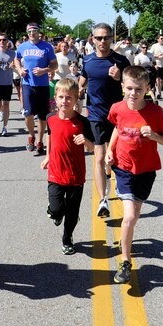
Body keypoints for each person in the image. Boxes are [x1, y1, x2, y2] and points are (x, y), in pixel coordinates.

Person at [105, 66, 163, 283]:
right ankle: (125, 261)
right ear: (122, 87)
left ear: (147, 89)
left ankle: (126, 246)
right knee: (130, 217)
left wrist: (153, 135)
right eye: (129, 88)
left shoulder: (155, 112)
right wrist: (109, 150)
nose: (133, 93)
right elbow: (117, 126)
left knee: (134, 217)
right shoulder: (117, 107)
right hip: (123, 168)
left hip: (146, 170)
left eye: (138, 89)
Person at [79, 22, 130, 218]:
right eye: (98, 38)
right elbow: (83, 80)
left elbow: (134, 85)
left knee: (115, 157)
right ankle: (103, 200)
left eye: (106, 37)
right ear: (92, 39)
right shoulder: (88, 60)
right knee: (99, 157)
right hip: (95, 115)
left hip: (117, 116)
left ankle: (114, 181)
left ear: (111, 39)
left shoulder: (121, 61)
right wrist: (79, 91)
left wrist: (119, 79)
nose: (102, 41)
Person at [40, 78, 94, 255]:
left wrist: (85, 141)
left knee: (72, 213)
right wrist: (48, 156)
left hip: (75, 174)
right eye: (61, 97)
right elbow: (50, 136)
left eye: (69, 97)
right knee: (56, 210)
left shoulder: (82, 122)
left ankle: (67, 238)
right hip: (55, 171)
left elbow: (93, 147)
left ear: (76, 98)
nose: (65, 101)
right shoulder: (50, 119)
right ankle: (56, 213)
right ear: (55, 98)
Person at [15, 23, 57, 155]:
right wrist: (20, 69)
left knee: (42, 116)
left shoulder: (47, 47)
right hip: (27, 84)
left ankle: (39, 141)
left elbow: (54, 65)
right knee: (28, 114)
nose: (31, 34)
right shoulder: (22, 46)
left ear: (39, 32)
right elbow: (16, 59)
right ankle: (31, 136)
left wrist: (44, 70)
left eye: (34, 31)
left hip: (42, 86)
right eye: (29, 32)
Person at [149, 34, 163, 99]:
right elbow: (150, 54)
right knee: (157, 79)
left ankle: (159, 91)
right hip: (156, 64)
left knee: (161, 80)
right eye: (161, 38)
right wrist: (157, 56)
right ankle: (158, 93)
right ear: (158, 39)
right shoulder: (154, 46)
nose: (162, 40)